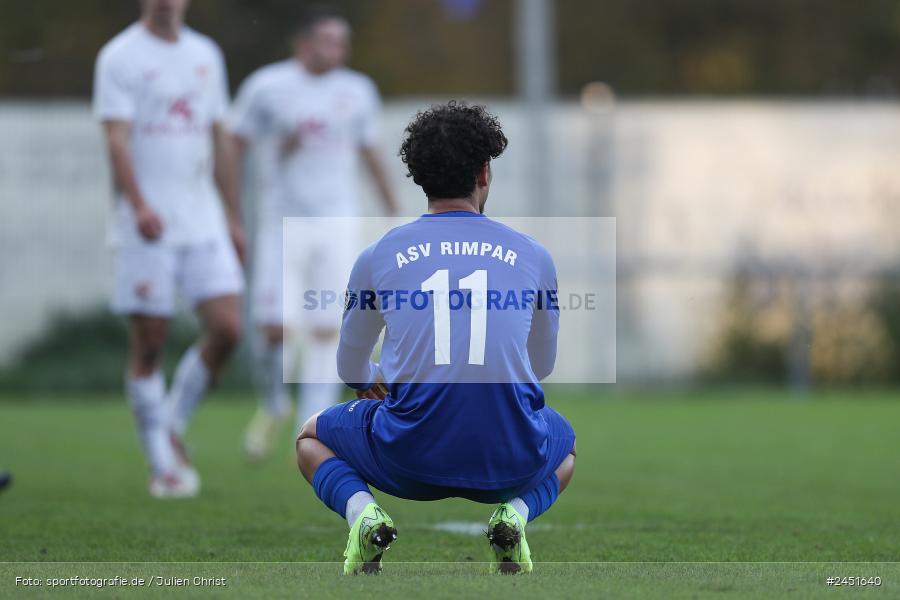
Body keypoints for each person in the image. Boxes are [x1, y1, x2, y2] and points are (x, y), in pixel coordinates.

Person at [295, 102, 576, 574]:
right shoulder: (534, 255)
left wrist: (370, 385)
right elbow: (541, 366)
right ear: (484, 173)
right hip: (509, 460)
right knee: (565, 446)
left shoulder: (378, 255)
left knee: (309, 437)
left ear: (419, 176)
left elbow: (349, 366)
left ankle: (364, 516)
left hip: (408, 458)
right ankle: (514, 516)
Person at [226, 6, 397, 460]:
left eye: (343, 42)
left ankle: (311, 429)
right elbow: (234, 143)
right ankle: (273, 401)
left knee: (327, 328)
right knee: (274, 330)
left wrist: (393, 211)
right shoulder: (267, 86)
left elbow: (370, 151)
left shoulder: (358, 91)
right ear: (303, 44)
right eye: (328, 41)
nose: (338, 50)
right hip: (281, 224)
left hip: (337, 221)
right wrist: (232, 209)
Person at [93, 0, 244, 498]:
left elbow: (219, 138)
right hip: (147, 222)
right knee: (151, 340)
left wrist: (233, 215)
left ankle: (171, 424)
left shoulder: (206, 53)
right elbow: (116, 141)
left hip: (201, 218)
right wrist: (137, 204)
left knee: (227, 328)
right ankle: (162, 464)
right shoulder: (120, 56)